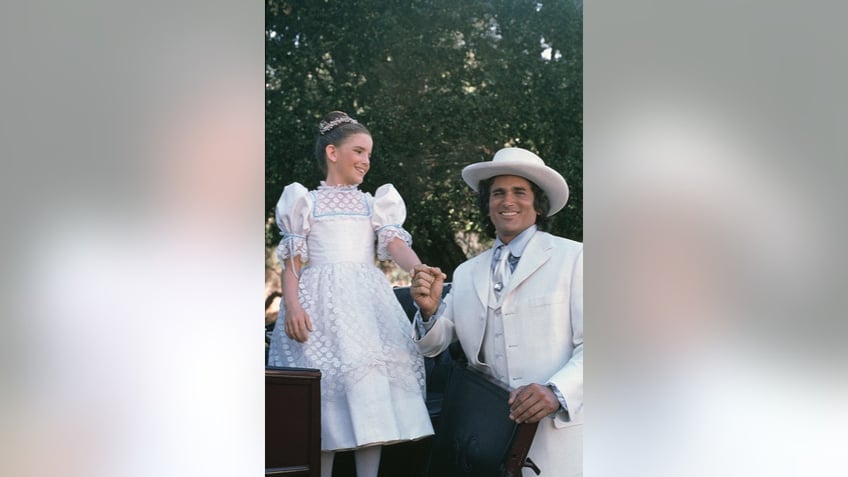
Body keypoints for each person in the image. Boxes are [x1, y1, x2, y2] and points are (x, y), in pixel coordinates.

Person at [267, 111, 434, 477]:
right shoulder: (304, 201)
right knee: (322, 399)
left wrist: (418, 268)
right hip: (319, 305)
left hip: (364, 305)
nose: (365, 161)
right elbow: (293, 260)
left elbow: (392, 242)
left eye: (369, 154)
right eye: (358, 151)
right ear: (332, 152)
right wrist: (291, 304)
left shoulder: (373, 203)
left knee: (369, 389)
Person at [411, 147, 583, 476]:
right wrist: (429, 311)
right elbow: (434, 344)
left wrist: (556, 392)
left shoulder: (574, 258)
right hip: (487, 442)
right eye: (498, 193)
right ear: (487, 205)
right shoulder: (465, 272)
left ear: (539, 203)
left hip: (559, 441)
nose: (508, 201)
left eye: (520, 192)